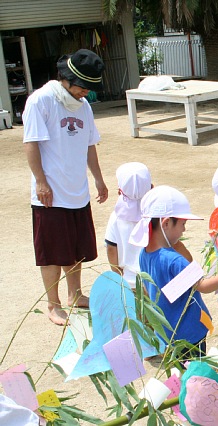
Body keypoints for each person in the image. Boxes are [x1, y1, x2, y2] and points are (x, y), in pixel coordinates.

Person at [23, 49, 108, 325]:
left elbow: (89, 144)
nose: (86, 92)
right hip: (51, 194)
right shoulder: (41, 101)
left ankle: (76, 294)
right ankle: (53, 304)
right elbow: (31, 143)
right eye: (82, 86)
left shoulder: (84, 106)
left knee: (76, 248)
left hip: (77, 190)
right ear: (67, 79)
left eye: (89, 88)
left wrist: (98, 178)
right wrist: (40, 181)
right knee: (51, 252)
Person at [129, 186, 218, 353]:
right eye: (183, 223)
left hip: (168, 334)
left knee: (180, 367)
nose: (184, 229)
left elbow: (149, 289)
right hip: (189, 334)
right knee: (194, 368)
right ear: (166, 223)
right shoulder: (174, 261)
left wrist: (176, 244)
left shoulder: (144, 254)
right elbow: (203, 286)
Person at [105, 162, 153, 288]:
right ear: (152, 188)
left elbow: (111, 247)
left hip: (128, 280)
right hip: (154, 280)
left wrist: (116, 272)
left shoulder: (116, 217)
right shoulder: (157, 217)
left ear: (119, 191)